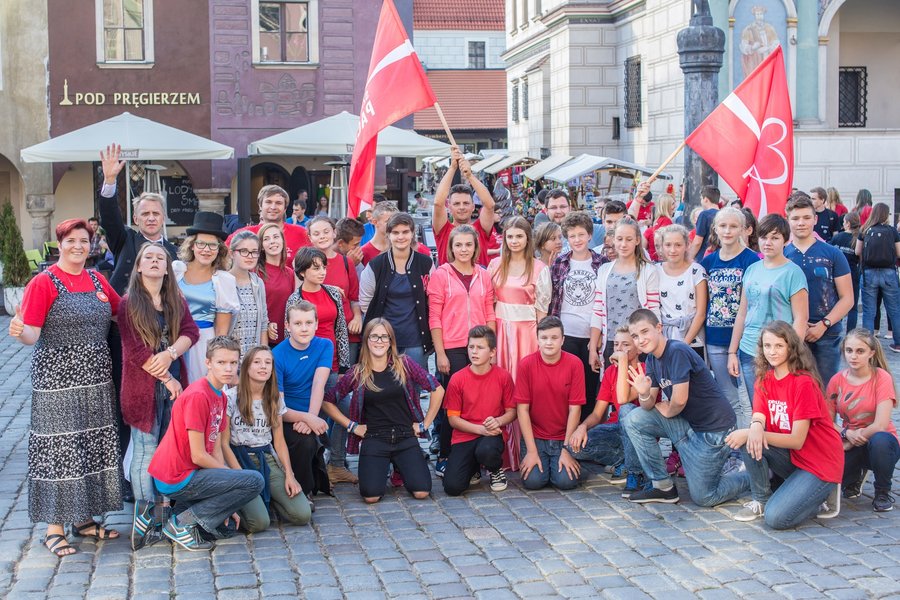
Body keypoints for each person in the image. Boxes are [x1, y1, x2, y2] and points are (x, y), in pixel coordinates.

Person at [8, 219, 124, 557]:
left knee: (90, 446)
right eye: (71, 240)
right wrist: (18, 330)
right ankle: (53, 528)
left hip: (96, 380)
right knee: (60, 452)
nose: (78, 246)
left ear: (92, 246)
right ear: (60, 244)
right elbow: (31, 334)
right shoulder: (44, 282)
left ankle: (85, 520)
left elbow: (122, 313)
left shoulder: (97, 278)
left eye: (84, 241)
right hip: (57, 383)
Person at [98, 143, 179, 500]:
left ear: (163, 217)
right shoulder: (125, 240)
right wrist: (110, 180)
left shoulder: (175, 251)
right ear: (136, 217)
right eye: (144, 213)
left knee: (161, 406)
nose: (149, 218)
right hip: (126, 335)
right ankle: (129, 479)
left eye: (155, 214)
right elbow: (109, 217)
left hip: (164, 338)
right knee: (129, 402)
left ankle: (162, 474)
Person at [147, 336, 265, 551]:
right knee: (254, 481)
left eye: (233, 362)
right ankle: (181, 524)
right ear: (208, 363)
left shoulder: (220, 396)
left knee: (238, 488)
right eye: (221, 362)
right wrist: (233, 480)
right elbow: (198, 456)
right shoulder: (198, 395)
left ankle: (186, 519)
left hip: (192, 473)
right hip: (176, 477)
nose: (228, 368)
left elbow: (217, 448)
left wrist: (229, 495)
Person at [118, 243, 199, 550]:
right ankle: (143, 522)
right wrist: (167, 379)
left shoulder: (175, 299)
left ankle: (165, 516)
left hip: (173, 382)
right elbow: (137, 351)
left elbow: (191, 331)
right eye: (148, 258)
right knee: (145, 451)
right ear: (138, 267)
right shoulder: (129, 303)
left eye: (160, 258)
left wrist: (169, 353)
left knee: (169, 452)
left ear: (167, 268)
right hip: (143, 389)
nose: (154, 262)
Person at [725, 321, 844, 528]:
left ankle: (820, 495)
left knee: (776, 519)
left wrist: (751, 433)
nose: (772, 352)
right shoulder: (765, 377)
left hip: (819, 463)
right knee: (750, 438)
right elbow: (759, 415)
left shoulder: (803, 383)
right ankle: (761, 500)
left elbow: (797, 440)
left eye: (779, 346)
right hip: (794, 459)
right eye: (767, 346)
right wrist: (754, 428)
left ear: (791, 347)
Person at [624, 310, 749, 505]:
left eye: (644, 332)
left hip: (714, 432)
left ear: (659, 328)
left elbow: (679, 401)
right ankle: (662, 486)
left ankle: (752, 476)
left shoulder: (677, 351)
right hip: (690, 426)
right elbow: (648, 405)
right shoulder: (651, 359)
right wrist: (644, 392)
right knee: (634, 418)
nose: (640, 339)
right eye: (635, 336)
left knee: (704, 497)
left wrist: (670, 409)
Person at [322, 319, 444, 503]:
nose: (379, 341)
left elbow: (438, 389)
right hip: (375, 439)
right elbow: (327, 402)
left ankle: (400, 466)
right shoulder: (357, 372)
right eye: (374, 336)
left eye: (384, 337)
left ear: (390, 341)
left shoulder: (404, 364)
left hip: (405, 436)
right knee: (371, 495)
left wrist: (424, 424)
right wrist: (353, 427)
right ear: (366, 340)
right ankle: (389, 466)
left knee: (422, 491)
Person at [427, 225, 497, 476]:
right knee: (453, 405)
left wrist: (492, 346)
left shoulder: (483, 274)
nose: (464, 249)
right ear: (451, 248)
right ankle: (446, 454)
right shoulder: (442, 274)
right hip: (453, 347)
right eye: (459, 245)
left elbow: (490, 312)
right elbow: (434, 316)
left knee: (479, 401)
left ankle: (476, 457)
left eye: (468, 244)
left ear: (475, 247)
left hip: (480, 344)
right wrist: (440, 353)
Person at [222, 346, 312, 532]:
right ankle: (245, 506)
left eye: (267, 362)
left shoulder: (274, 398)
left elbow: (278, 441)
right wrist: (241, 477)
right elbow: (223, 444)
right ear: (246, 367)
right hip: (240, 460)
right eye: (257, 362)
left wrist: (289, 475)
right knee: (259, 524)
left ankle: (270, 500)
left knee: (303, 515)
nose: (263, 366)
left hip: (266, 459)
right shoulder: (230, 398)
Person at [286, 247, 355, 484]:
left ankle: (336, 460)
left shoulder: (333, 294)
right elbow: (291, 334)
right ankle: (326, 459)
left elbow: (341, 330)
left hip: (334, 360)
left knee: (343, 408)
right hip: (310, 364)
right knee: (332, 408)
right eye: (315, 267)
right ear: (303, 271)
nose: (322, 271)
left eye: (324, 266)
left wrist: (344, 363)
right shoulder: (295, 299)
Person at [488, 216, 552, 471]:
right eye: (510, 236)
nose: (514, 241)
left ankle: (530, 449)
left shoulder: (538, 268)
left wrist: (540, 343)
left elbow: (542, 311)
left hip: (527, 333)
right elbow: (489, 304)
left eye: (519, 236)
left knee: (526, 390)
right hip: (501, 331)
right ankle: (504, 454)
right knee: (502, 389)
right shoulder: (495, 265)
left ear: (528, 239)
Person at [728, 214, 809, 404]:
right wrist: (732, 351)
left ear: (785, 240)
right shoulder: (752, 269)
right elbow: (742, 313)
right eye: (764, 237)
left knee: (780, 407)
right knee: (758, 407)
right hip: (749, 350)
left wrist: (791, 354)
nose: (768, 242)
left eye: (775, 237)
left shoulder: (793, 272)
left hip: (780, 352)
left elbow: (800, 319)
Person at [826, 328, 899, 512]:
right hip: (849, 439)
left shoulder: (881, 378)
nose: (854, 356)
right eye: (849, 350)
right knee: (832, 475)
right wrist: (846, 434)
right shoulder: (836, 381)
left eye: (860, 351)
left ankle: (882, 491)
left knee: (880, 441)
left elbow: (881, 424)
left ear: (871, 353)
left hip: (881, 442)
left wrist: (854, 439)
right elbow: (826, 420)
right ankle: (853, 479)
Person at [784, 195, 854, 386]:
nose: (801, 223)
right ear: (788, 220)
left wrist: (824, 324)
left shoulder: (833, 253)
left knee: (826, 392)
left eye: (806, 218)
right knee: (795, 392)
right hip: (790, 333)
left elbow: (847, 298)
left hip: (827, 334)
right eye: (795, 218)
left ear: (815, 219)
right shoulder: (782, 255)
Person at [701, 208, 760, 428]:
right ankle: (738, 448)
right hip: (716, 339)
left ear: (743, 230)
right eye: (723, 226)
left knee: (751, 399)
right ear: (715, 228)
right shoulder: (709, 262)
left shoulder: (751, 260)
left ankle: (755, 447)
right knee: (730, 398)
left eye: (733, 226)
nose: (727, 231)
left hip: (745, 341)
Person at [442, 326, 516, 495]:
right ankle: (473, 467)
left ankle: (495, 469)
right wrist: (480, 429)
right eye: (471, 347)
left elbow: (512, 412)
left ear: (492, 352)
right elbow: (453, 419)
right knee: (452, 487)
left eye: (480, 347)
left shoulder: (503, 377)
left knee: (487, 451)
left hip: (492, 435)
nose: (474, 352)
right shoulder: (457, 378)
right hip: (464, 436)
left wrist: (498, 421)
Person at [568, 325, 642, 495]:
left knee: (626, 411)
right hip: (615, 430)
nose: (619, 349)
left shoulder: (644, 370)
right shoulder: (610, 372)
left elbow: (624, 401)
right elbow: (596, 414)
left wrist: (623, 361)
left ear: (638, 348)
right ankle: (625, 461)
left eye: (625, 345)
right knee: (575, 447)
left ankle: (634, 471)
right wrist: (581, 427)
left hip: (639, 432)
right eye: (616, 345)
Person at [272, 302, 333, 502]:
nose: (304, 328)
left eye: (309, 322)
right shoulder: (277, 355)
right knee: (304, 442)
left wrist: (311, 418)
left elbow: (318, 385)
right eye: (298, 323)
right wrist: (307, 418)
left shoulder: (325, 345)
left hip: (311, 411)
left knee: (308, 440)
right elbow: (278, 408)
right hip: (287, 416)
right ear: (287, 326)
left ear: (316, 324)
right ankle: (300, 493)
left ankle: (305, 487)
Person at [516, 317, 585, 491]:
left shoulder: (575, 364)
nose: (549, 342)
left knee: (566, 482)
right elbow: (522, 410)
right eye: (544, 338)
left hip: (563, 436)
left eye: (554, 338)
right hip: (536, 436)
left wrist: (567, 449)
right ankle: (543, 462)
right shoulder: (526, 365)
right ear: (537, 339)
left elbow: (575, 408)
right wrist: (531, 451)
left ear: (563, 340)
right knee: (533, 482)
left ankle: (560, 463)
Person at [360, 212, 434, 370]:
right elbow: (366, 303)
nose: (401, 237)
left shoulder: (426, 264)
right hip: (383, 340)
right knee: (386, 386)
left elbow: (432, 300)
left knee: (414, 388)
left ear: (413, 233)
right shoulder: (376, 265)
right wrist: (379, 331)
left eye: (405, 232)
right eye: (395, 232)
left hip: (416, 339)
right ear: (388, 234)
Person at [549, 211, 605, 418]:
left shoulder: (602, 263)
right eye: (572, 236)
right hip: (567, 331)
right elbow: (552, 297)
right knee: (566, 384)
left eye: (581, 235)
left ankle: (586, 430)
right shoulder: (560, 263)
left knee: (591, 384)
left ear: (590, 235)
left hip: (592, 332)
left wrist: (598, 337)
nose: (577, 240)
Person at [174, 212, 240, 382]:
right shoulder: (176, 271)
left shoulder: (223, 280)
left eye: (212, 245)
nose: (206, 249)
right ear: (192, 246)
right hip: (174, 338)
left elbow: (221, 332)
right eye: (201, 243)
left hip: (203, 343)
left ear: (219, 250)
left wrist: (216, 358)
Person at [589, 218, 661, 370]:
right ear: (613, 240)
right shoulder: (604, 270)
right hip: (612, 341)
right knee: (611, 387)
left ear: (637, 240)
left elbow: (653, 310)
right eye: (619, 239)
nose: (623, 244)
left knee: (638, 387)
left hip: (639, 342)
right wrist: (593, 347)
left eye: (629, 239)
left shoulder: (648, 270)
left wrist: (654, 343)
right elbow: (597, 310)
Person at [432, 148, 496, 267]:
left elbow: (490, 205)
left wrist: (470, 176)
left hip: (478, 283)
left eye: (466, 203)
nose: (461, 207)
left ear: (473, 206)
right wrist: (452, 168)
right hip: (448, 284)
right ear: (449, 206)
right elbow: (437, 203)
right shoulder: (444, 230)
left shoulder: (480, 229)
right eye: (456, 204)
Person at [856, 203, 900, 352]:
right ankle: (898, 342)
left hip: (869, 273)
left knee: (869, 310)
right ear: (886, 215)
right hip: (889, 273)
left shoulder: (865, 230)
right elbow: (899, 253)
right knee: (894, 309)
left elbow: (857, 251)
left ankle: (868, 343)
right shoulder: (892, 231)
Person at [227, 185, 311, 264]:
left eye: (278, 203)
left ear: (285, 208)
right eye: (268, 202)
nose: (273, 207)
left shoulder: (301, 233)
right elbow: (222, 254)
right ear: (260, 206)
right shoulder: (244, 234)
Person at [657, 224, 707, 350]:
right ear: (662, 246)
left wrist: (684, 344)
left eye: (678, 245)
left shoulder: (696, 271)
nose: (673, 250)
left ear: (687, 245)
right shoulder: (655, 271)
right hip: (663, 338)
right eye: (668, 245)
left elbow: (701, 313)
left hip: (692, 338)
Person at [228, 231, 269, 356]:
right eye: (244, 251)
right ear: (232, 253)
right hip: (230, 357)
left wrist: (262, 355)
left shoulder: (257, 282)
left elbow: (263, 322)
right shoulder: (222, 281)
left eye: (254, 252)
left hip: (252, 358)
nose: (250, 256)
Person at [257, 223, 296, 346]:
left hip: (286, 339)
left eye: (276, 237)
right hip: (263, 339)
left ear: (283, 241)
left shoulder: (290, 273)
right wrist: (266, 325)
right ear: (262, 246)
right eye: (266, 239)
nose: (272, 241)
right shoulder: (255, 272)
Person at [829, 212, 862, 331]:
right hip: (853, 273)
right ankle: (850, 333)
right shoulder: (858, 238)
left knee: (838, 303)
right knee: (852, 307)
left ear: (847, 224)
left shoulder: (838, 237)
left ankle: (837, 328)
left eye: (844, 222)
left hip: (837, 274)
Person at [687, 186, 720, 261]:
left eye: (701, 199)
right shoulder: (724, 214)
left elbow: (698, 241)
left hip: (704, 256)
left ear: (705, 199)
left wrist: (688, 258)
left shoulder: (704, 215)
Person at [644, 192, 675, 262]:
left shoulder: (658, 220)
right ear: (667, 206)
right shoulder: (666, 221)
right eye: (673, 203)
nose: (675, 206)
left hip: (653, 258)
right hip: (660, 259)